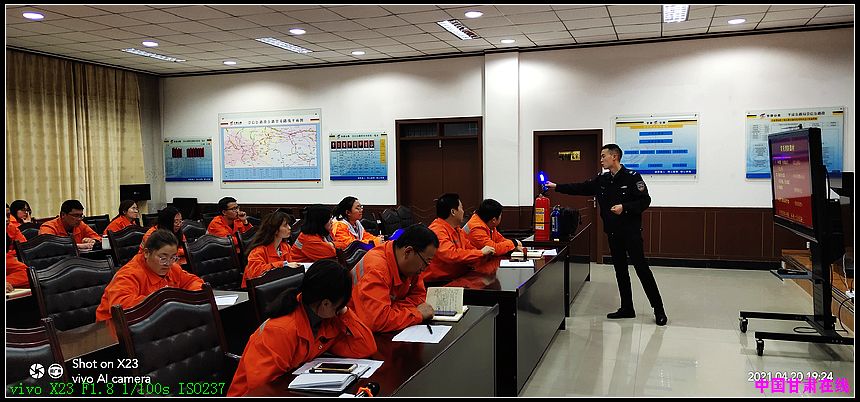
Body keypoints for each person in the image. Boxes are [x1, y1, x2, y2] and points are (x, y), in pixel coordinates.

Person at [545, 143, 667, 326]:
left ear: (614, 157)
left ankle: (659, 309)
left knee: (642, 269)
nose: (601, 159)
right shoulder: (603, 179)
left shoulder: (632, 177)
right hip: (613, 233)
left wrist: (625, 207)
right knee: (620, 271)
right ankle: (627, 308)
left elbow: (645, 201)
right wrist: (556, 186)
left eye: (604, 156)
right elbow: (581, 187)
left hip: (631, 233)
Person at [227, 259, 377, 396]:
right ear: (325, 303)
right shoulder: (280, 331)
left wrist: (345, 313)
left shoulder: (325, 320)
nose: (341, 311)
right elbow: (262, 389)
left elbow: (366, 347)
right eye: (340, 306)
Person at [95, 229, 204, 322]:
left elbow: (194, 282)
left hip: (155, 321)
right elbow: (120, 306)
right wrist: (162, 300)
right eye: (162, 257)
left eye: (173, 257)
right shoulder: (129, 274)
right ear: (146, 253)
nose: (168, 263)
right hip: (113, 328)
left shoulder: (172, 267)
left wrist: (186, 298)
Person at [349, 224, 439, 333]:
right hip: (353, 331)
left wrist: (393, 310)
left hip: (385, 328)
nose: (425, 269)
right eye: (426, 262)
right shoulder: (376, 269)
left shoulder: (412, 265)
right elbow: (377, 321)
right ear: (408, 252)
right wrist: (417, 313)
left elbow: (419, 297)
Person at [419, 193, 496, 283]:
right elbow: (450, 255)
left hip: (458, 276)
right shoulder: (437, 230)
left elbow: (469, 248)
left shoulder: (457, 229)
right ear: (453, 212)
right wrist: (481, 253)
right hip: (440, 282)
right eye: (461, 208)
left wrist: (482, 256)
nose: (463, 211)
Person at [242, 211, 300, 288]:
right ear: (275, 230)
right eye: (285, 225)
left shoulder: (285, 247)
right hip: (256, 289)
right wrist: (283, 265)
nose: (289, 227)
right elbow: (255, 273)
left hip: (277, 285)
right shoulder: (258, 251)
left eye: (288, 225)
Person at [6, 204, 29, 292]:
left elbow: (24, 247)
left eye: (8, 215)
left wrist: (8, 281)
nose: (6, 219)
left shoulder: (11, 228)